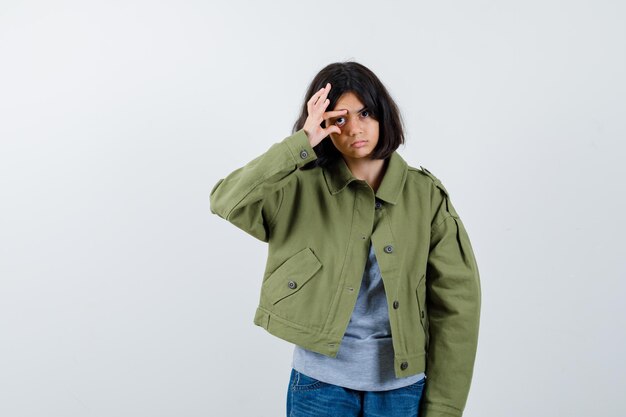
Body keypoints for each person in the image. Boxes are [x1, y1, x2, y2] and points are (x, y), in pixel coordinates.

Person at [209, 61, 481, 417]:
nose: (355, 128)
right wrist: (301, 142)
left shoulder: (425, 196)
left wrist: (444, 407)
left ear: (383, 115)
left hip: (402, 389)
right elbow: (227, 200)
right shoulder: (299, 187)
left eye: (365, 113)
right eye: (339, 118)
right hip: (319, 386)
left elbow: (457, 304)